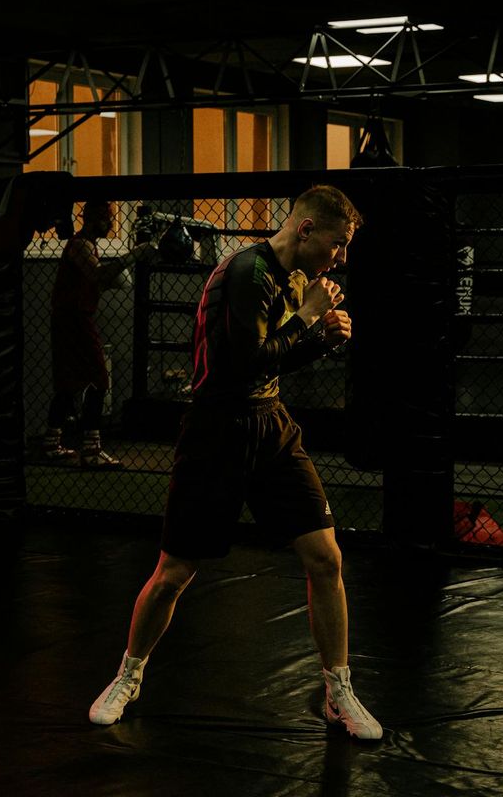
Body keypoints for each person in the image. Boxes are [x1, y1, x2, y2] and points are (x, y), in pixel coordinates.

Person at [88, 184, 383, 741]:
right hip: (216, 428)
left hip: (270, 424)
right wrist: (314, 326)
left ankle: (338, 691)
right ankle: (128, 675)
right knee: (175, 572)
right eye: (337, 244)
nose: (340, 257)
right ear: (306, 230)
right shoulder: (246, 272)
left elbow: (280, 355)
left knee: (325, 558)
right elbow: (245, 362)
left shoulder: (296, 277)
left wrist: (323, 334)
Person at [42, 200, 149, 469]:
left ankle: (51, 444)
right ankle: (91, 449)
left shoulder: (86, 246)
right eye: (107, 219)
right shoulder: (80, 245)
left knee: (68, 382)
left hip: (70, 317)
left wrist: (112, 278)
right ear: (92, 220)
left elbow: (95, 280)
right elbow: (97, 275)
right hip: (75, 318)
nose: (111, 224)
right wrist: (133, 255)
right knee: (99, 379)